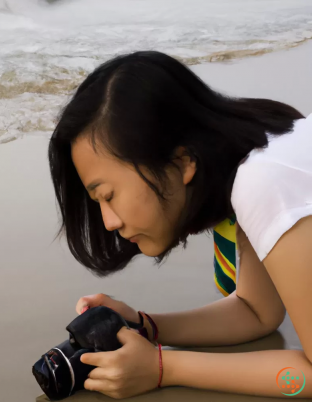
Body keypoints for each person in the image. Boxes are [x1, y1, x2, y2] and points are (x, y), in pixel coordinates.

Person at [48, 50, 312, 399]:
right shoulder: (258, 162)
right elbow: (256, 312)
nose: (109, 222)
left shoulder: (265, 181)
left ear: (182, 161)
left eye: (108, 195)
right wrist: (144, 327)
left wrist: (163, 369)